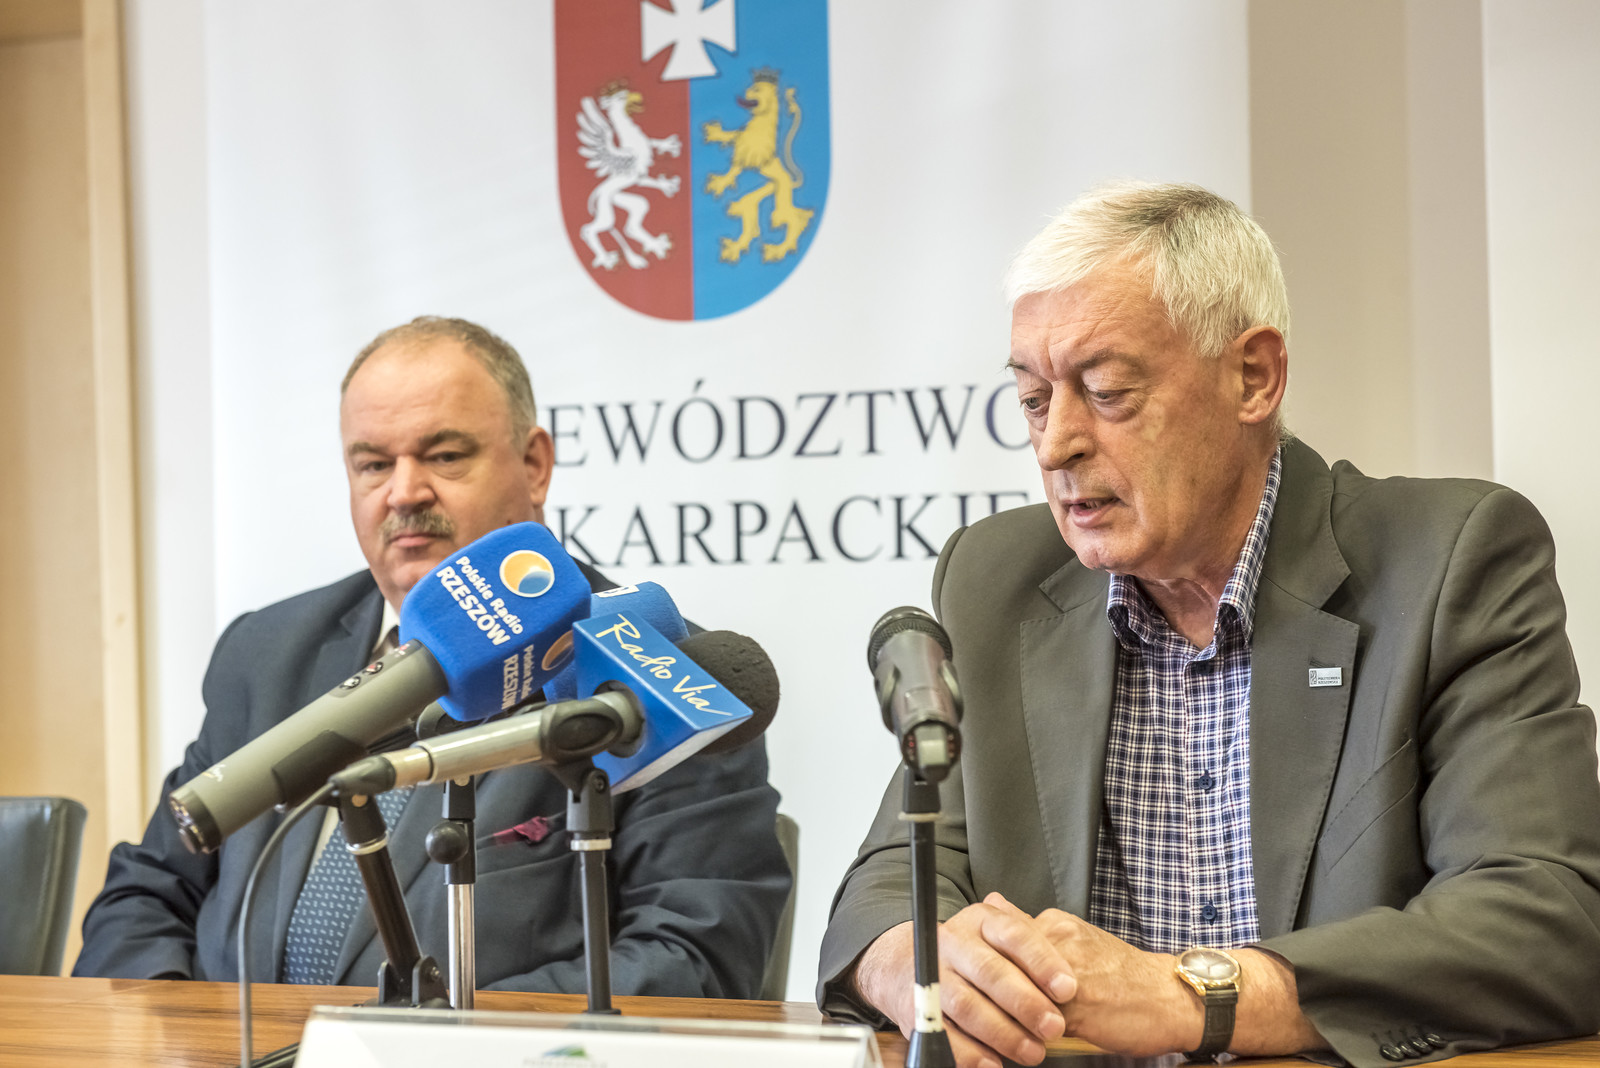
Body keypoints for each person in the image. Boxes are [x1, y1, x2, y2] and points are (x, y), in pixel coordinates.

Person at [816, 184, 1600, 1067]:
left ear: (1254, 377)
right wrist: (912, 964)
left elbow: (1547, 918)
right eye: (1034, 400)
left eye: (1107, 391)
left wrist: (1194, 994)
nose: (1057, 443)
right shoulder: (998, 581)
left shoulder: (1446, 563)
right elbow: (895, 875)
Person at [75, 316, 790, 997]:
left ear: (534, 465)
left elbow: (694, 957)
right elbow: (146, 893)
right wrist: (179, 1037)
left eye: (445, 456)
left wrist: (404, 1043)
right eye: (373, 464)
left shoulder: (657, 675)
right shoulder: (266, 651)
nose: (404, 492)